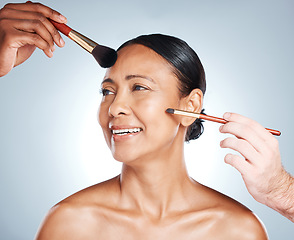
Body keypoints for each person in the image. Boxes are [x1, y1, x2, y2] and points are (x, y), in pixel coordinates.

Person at [0, 1, 288, 239]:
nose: (114, 108)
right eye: (107, 91)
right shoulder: (70, 224)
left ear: (191, 105)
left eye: (139, 87)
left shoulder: (238, 230)